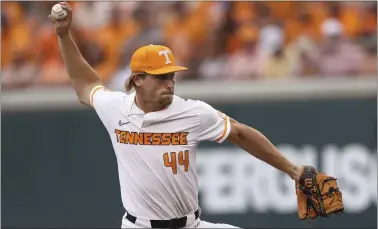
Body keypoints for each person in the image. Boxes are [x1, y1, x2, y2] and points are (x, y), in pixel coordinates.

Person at [49, 2, 305, 228]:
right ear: (137, 79)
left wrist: (293, 170)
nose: (169, 83)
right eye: (160, 77)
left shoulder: (192, 112)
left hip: (192, 224)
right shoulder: (116, 108)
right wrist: (63, 35)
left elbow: (239, 132)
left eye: (171, 76)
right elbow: (85, 85)